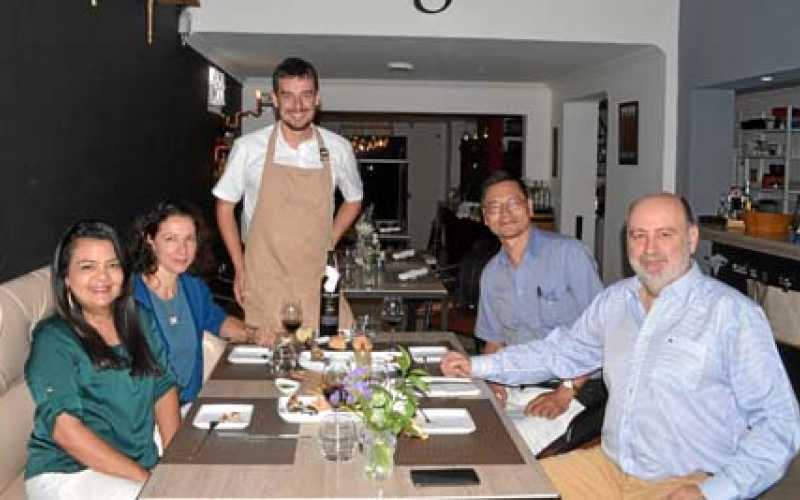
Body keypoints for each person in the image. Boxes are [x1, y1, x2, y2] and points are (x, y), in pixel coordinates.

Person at [442, 193, 800, 499]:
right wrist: (476, 366)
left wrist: (714, 491)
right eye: (638, 235)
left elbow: (781, 425)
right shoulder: (615, 301)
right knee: (506, 488)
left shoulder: (732, 315)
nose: (650, 249)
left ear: (691, 239)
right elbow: (560, 352)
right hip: (610, 468)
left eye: (665, 235)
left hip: (686, 482)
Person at [25, 220, 180, 500]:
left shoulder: (139, 320)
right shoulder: (53, 339)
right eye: (87, 267)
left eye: (112, 265)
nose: (103, 277)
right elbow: (66, 432)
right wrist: (151, 483)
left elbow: (163, 388)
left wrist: (174, 463)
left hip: (135, 460)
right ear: (66, 278)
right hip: (70, 472)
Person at [213, 56, 363, 334]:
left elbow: (354, 199)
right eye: (288, 96)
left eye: (306, 95)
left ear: (317, 98)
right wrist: (239, 265)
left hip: (316, 277)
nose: (298, 106)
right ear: (275, 99)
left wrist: (331, 237)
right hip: (265, 278)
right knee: (268, 365)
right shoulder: (249, 148)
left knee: (331, 359)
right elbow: (224, 207)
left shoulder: (338, 148)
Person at [476, 170, 603, 418]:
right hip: (518, 382)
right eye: (495, 207)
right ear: (485, 218)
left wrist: (564, 391)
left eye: (514, 203)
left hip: (575, 385)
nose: (505, 214)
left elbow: (601, 333)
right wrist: (495, 381)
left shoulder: (570, 255)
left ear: (530, 208)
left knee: (521, 442)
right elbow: (494, 341)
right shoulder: (491, 274)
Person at [129, 201, 274, 406]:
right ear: (150, 240)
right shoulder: (131, 296)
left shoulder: (192, 287)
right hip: (148, 414)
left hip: (190, 404)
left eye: (190, 239)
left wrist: (253, 333)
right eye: (171, 239)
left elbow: (218, 320)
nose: (183, 249)